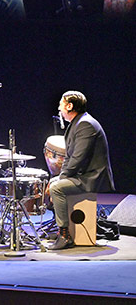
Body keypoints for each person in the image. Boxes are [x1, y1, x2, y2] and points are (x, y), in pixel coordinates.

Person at [48, 90, 114, 250]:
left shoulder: (85, 124)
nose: (59, 109)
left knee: (56, 188)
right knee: (53, 182)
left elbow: (78, 159)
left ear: (70, 106)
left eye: (61, 105)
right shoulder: (78, 123)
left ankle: (64, 235)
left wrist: (61, 179)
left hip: (91, 178)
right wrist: (59, 177)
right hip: (83, 174)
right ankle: (60, 228)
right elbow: (70, 158)